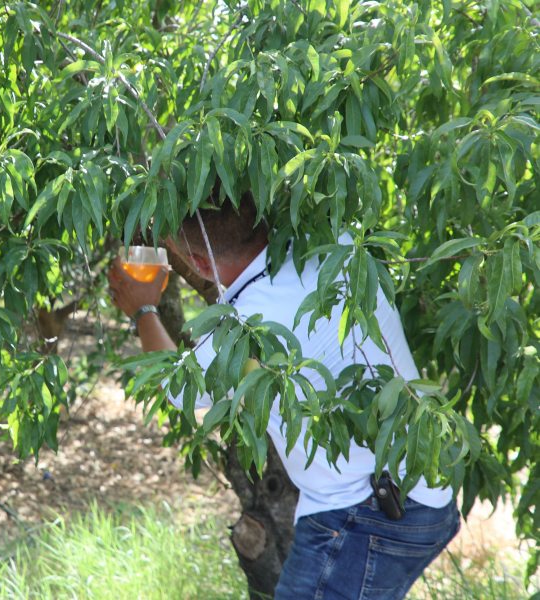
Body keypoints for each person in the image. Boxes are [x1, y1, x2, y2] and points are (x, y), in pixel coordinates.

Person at [106, 191, 460, 600]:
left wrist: (143, 310)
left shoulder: (241, 330)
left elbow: (176, 387)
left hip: (370, 516)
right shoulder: (336, 241)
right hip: (427, 484)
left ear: (199, 265)